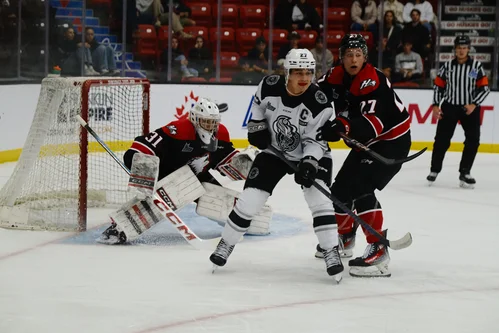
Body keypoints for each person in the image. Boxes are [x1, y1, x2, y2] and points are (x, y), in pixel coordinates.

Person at [209, 49, 344, 281]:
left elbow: (317, 141)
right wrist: (257, 126)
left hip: (310, 155)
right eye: (298, 72)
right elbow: (258, 108)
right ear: (287, 73)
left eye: (309, 72)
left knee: (319, 202)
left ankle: (331, 251)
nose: (304, 77)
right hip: (275, 151)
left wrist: (309, 163)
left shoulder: (320, 102)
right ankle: (226, 244)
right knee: (249, 200)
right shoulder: (269, 86)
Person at [98, 98, 268, 244]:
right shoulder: (178, 130)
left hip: (198, 175)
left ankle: (243, 223)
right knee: (170, 195)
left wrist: (246, 163)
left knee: (216, 196)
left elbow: (226, 162)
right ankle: (118, 229)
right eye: (206, 122)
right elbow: (139, 148)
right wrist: (144, 173)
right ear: (194, 119)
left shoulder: (221, 134)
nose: (210, 127)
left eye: (213, 122)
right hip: (168, 175)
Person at [317, 34, 412, 278]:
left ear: (365, 58)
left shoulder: (371, 80)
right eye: (349, 54)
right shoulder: (335, 75)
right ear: (341, 57)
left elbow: (374, 124)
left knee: (360, 188)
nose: (353, 59)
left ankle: (379, 248)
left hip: (391, 141)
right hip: (365, 143)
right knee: (339, 191)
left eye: (358, 55)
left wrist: (342, 126)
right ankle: (346, 237)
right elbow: (315, 94)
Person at [427, 35, 490, 188]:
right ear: (454, 49)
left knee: (473, 140)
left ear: (468, 49)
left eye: (464, 48)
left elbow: (484, 88)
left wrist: (474, 104)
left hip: (470, 108)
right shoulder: (447, 66)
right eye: (459, 48)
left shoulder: (475, 67)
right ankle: (434, 170)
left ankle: (465, 171)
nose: (461, 51)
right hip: (450, 107)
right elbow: (438, 86)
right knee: (441, 140)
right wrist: (436, 105)